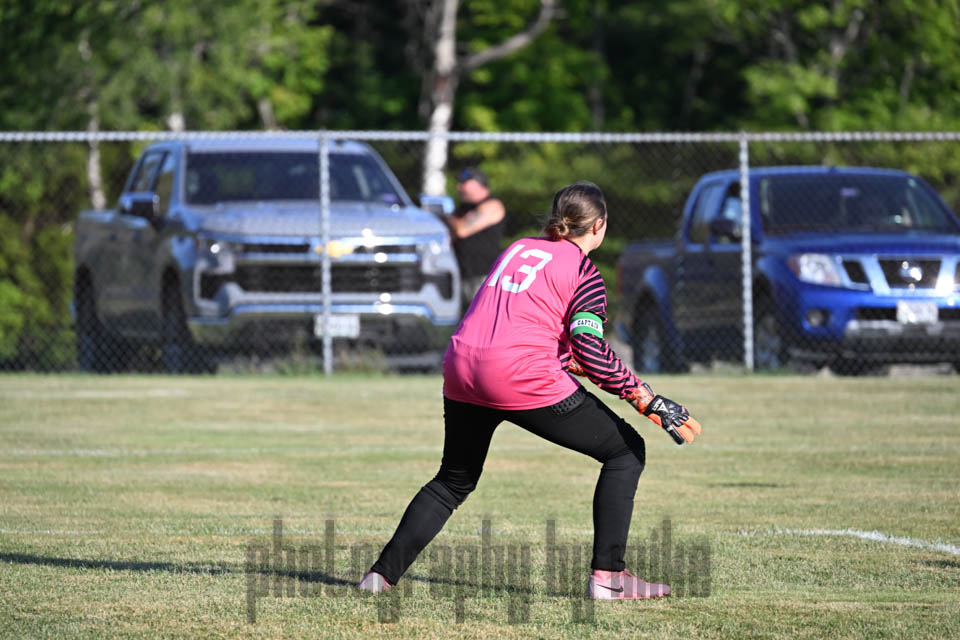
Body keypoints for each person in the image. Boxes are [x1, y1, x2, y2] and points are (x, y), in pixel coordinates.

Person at [359, 181, 702, 599]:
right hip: (519, 376)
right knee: (625, 451)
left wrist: (559, 359)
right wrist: (644, 397)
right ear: (599, 227)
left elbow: (517, 320)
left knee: (452, 481)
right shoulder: (584, 272)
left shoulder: (519, 248)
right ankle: (610, 579)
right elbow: (590, 350)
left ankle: (379, 577)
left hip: (462, 366)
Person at [443, 168, 507, 309]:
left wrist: (446, 217)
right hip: (460, 274)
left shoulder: (492, 205)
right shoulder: (462, 209)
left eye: (463, 183)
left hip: (482, 276)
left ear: (478, 184)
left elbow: (462, 230)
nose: (458, 187)